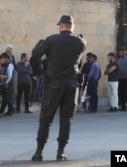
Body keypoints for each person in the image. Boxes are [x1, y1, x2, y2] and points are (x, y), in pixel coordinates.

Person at [31, 15, 86, 161]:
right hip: (72, 85)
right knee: (66, 119)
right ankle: (60, 152)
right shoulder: (80, 42)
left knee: (46, 118)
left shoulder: (51, 40)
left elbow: (35, 55)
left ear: (61, 26)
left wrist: (39, 44)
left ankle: (39, 152)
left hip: (54, 84)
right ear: (72, 26)